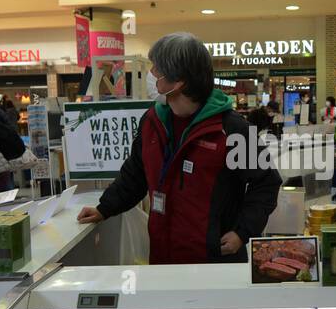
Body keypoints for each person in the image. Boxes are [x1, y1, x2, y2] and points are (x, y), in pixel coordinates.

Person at [77, 32, 280, 264]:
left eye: (157, 70)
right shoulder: (152, 121)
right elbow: (135, 172)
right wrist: (104, 208)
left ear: (178, 82)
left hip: (215, 261)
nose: (150, 76)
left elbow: (266, 183)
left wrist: (242, 232)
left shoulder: (231, 129)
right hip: (164, 258)